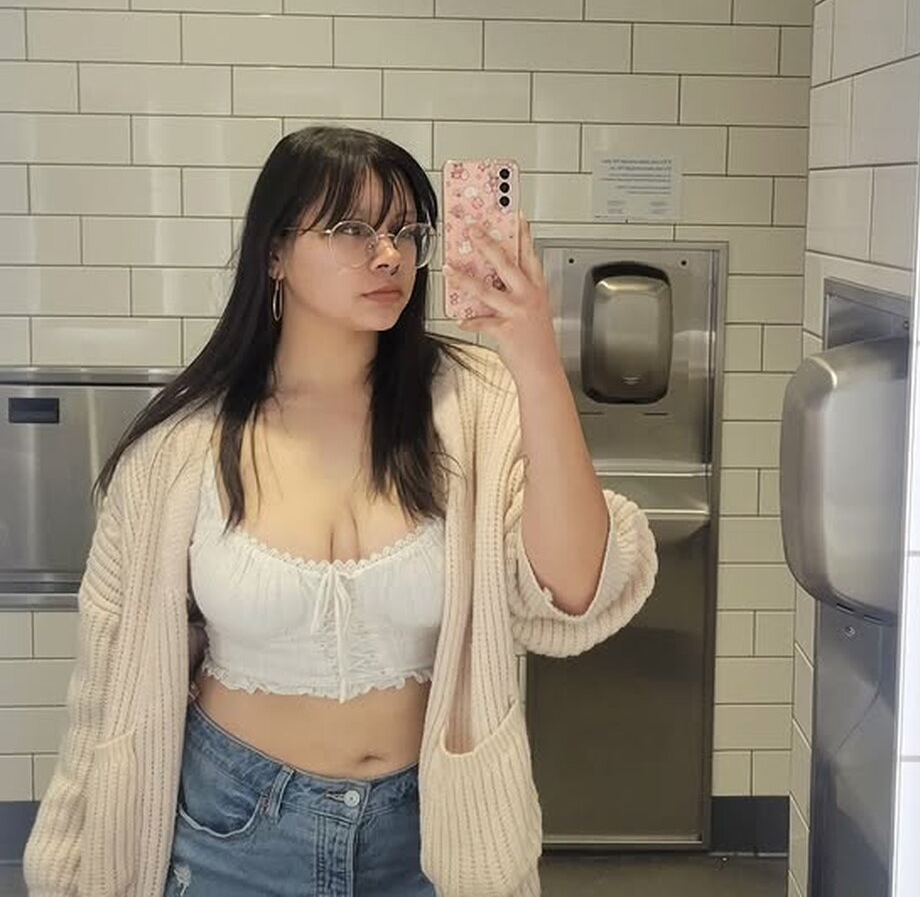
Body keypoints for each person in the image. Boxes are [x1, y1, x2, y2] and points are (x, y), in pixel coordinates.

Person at [22, 126, 658, 897]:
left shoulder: (474, 405)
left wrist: (534, 358)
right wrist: (67, 866)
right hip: (233, 832)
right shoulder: (180, 446)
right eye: (352, 228)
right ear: (275, 253)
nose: (388, 254)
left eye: (405, 231)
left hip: (434, 833)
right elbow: (107, 683)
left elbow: (577, 587)